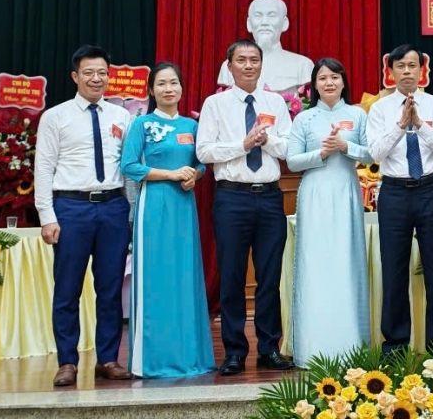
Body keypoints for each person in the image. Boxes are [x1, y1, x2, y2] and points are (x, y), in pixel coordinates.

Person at [34, 45, 135, 387]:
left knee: (110, 289)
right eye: (89, 72)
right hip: (71, 208)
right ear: (75, 76)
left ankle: (108, 359)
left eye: (102, 72)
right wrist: (47, 216)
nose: (96, 78)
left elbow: (128, 169)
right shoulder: (56, 116)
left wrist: (131, 213)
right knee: (67, 290)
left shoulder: (122, 117)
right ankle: (67, 362)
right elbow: (43, 168)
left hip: (113, 207)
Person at [197, 40, 295, 376]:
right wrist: (243, 144)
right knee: (232, 275)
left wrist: (268, 140)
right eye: (242, 60)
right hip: (232, 198)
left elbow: (289, 148)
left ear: (261, 64)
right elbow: (204, 151)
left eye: (254, 59)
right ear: (230, 66)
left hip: (269, 197)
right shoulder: (215, 104)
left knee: (269, 276)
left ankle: (269, 348)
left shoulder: (275, 103)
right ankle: (234, 352)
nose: (249, 65)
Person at [121, 62, 214, 378]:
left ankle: (189, 355)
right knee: (156, 277)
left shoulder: (191, 126)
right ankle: (153, 359)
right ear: (151, 90)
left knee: (184, 275)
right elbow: (129, 166)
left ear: (182, 88)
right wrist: (170, 174)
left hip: (183, 206)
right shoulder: (142, 124)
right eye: (161, 83)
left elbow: (201, 163)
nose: (168, 89)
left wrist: (194, 176)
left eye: (174, 82)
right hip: (154, 204)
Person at [367, 45, 433, 354]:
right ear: (391, 72)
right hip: (394, 193)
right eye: (400, 66)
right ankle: (395, 346)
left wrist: (420, 125)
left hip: (431, 190)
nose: (407, 71)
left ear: (422, 70)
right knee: (394, 272)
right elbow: (375, 152)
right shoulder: (380, 109)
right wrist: (400, 126)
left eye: (412, 65)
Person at [287, 58, 372, 365]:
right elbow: (292, 161)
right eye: (323, 78)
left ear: (343, 81)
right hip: (314, 194)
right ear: (315, 84)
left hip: (346, 192)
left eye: (335, 77)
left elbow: (372, 153)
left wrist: (346, 148)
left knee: (347, 263)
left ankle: (351, 346)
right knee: (315, 266)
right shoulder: (305, 119)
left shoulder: (358, 114)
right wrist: (321, 152)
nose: (329, 83)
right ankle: (312, 347)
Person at [217, 0, 314, 91]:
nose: (264, 22)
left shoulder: (303, 65)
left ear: (285, 23)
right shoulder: (230, 67)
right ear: (249, 24)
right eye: (258, 16)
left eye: (272, 16)